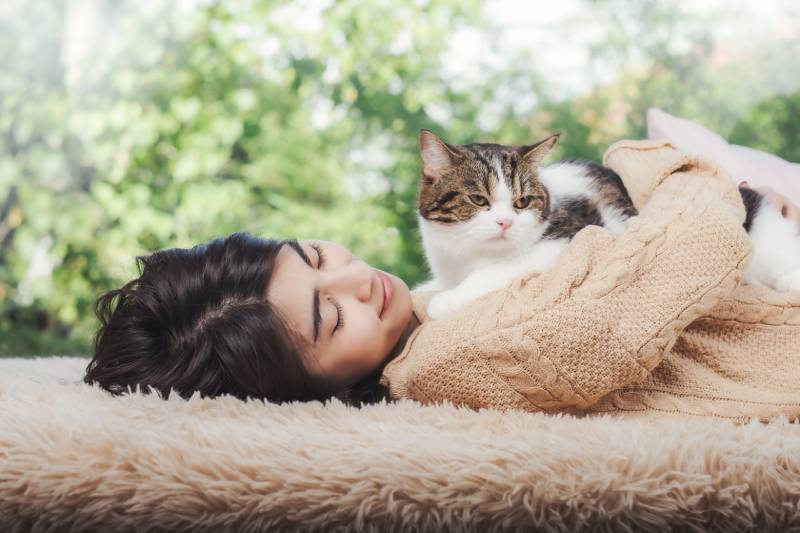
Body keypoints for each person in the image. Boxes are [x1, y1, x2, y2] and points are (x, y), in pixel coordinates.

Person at [84, 141, 800, 420]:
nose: (356, 280)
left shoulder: (429, 312)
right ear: (319, 393)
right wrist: (693, 171)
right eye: (331, 318)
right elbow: (678, 259)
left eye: (318, 255)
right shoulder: (458, 355)